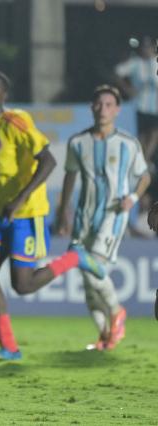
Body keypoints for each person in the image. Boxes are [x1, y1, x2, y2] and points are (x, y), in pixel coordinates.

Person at [0, 71, 105, 361]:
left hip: (27, 213)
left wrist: (19, 200)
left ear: (4, 96)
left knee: (22, 285)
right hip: (1, 211)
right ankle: (9, 348)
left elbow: (49, 161)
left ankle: (74, 258)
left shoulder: (16, 121)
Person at [57, 85, 150, 350]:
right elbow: (70, 176)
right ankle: (105, 335)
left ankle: (117, 310)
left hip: (113, 214)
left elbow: (144, 176)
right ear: (91, 107)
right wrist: (63, 211)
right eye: (99, 104)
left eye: (109, 105)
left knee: (90, 266)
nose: (103, 109)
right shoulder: (78, 142)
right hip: (83, 218)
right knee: (87, 281)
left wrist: (132, 197)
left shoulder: (128, 144)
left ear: (117, 110)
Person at [115, 36, 158, 160]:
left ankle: (146, 159)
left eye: (148, 47)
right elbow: (117, 72)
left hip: (156, 106)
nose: (146, 50)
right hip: (140, 105)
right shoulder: (135, 63)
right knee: (142, 135)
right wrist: (127, 88)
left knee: (155, 133)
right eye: (144, 47)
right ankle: (141, 160)